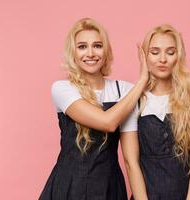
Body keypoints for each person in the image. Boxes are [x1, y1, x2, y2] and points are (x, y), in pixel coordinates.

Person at [39, 18, 148, 200]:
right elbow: (107, 122)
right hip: (69, 185)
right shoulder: (62, 88)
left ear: (106, 51)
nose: (90, 53)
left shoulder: (125, 90)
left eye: (97, 45)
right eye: (82, 47)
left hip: (109, 187)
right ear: (73, 53)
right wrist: (142, 81)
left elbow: (131, 158)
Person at [127, 24, 190, 200]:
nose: (162, 59)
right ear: (144, 56)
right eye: (155, 52)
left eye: (170, 52)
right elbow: (131, 162)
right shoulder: (133, 99)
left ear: (178, 56)